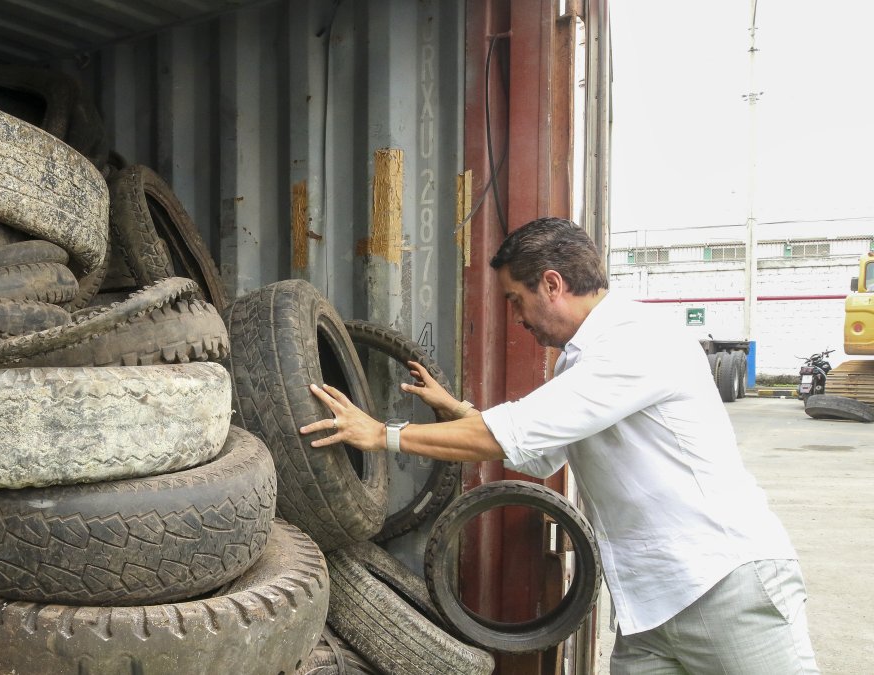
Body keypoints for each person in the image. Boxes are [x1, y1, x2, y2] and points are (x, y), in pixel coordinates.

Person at [299, 217, 818, 673]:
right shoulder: (580, 359)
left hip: (721, 583)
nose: (516, 317)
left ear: (551, 284)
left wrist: (381, 434)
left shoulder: (637, 342)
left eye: (516, 300)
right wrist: (461, 413)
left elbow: (517, 432)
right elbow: (541, 452)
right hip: (650, 606)